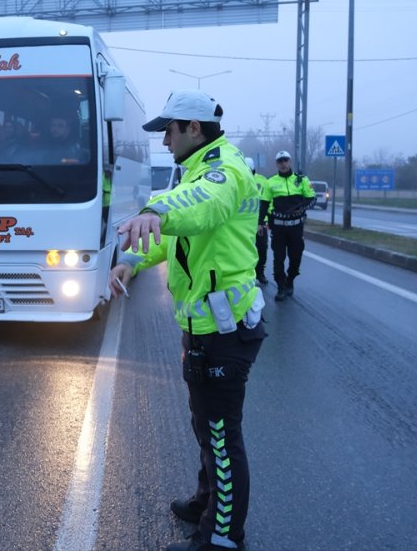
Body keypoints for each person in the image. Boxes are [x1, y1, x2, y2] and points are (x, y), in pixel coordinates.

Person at [109, 90, 266, 551]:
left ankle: (222, 537)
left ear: (193, 128)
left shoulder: (225, 169)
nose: (164, 142)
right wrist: (134, 262)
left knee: (220, 434)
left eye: (169, 131)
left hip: (225, 330)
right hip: (206, 328)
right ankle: (207, 502)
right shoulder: (198, 168)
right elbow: (178, 239)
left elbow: (203, 205)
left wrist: (158, 208)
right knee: (206, 424)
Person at [262, 150, 316, 301]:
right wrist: (261, 222)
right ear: (276, 164)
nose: (283, 164)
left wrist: (300, 209)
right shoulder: (270, 182)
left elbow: (312, 199)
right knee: (278, 258)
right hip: (278, 228)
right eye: (280, 161)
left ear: (290, 162)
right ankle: (280, 287)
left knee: (295, 258)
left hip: (296, 228)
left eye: (286, 160)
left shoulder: (301, 180)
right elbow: (264, 204)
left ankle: (290, 280)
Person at [246, 157, 269, 285]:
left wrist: (263, 222)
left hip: (260, 223)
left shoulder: (262, 181)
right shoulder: (238, 178)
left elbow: (266, 201)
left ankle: (260, 273)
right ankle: (247, 275)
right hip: (243, 223)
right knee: (243, 250)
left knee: (262, 249)